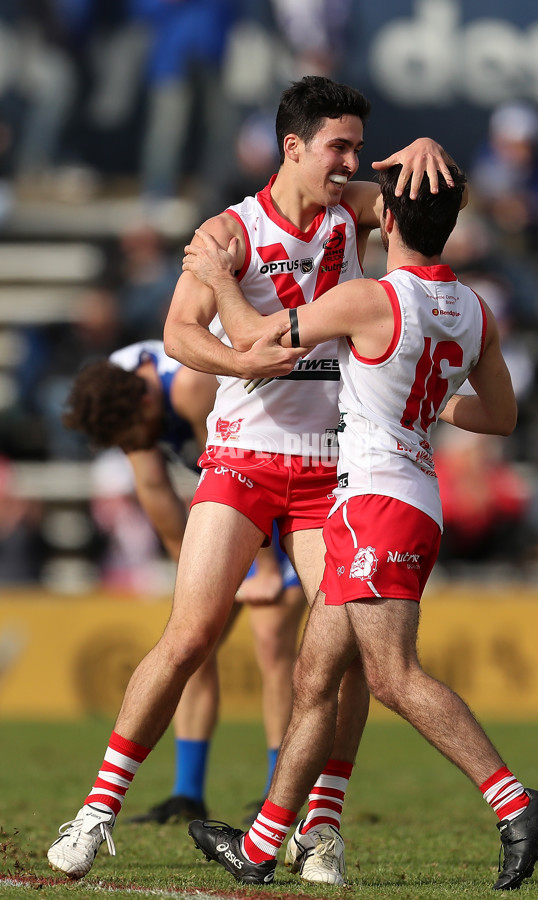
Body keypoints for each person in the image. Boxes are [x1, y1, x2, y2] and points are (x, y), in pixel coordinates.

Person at [46, 73, 454, 883]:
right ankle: (97, 812)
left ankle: (322, 829)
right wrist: (241, 360)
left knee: (341, 659)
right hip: (242, 461)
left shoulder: (356, 211)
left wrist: (432, 151)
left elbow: (431, 203)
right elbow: (177, 331)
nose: (354, 163)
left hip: (331, 471)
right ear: (292, 148)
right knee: (190, 635)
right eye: (339, 148)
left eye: (360, 149)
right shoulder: (230, 231)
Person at [182, 162, 538, 891]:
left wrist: (219, 276)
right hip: (418, 499)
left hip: (370, 505)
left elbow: (257, 340)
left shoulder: (366, 299)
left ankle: (516, 804)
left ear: (384, 221)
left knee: (391, 676)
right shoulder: (475, 308)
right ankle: (263, 847)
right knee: (315, 673)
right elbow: (504, 418)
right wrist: (421, 403)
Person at [61, 340, 306, 824]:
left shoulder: (193, 386)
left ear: (146, 403)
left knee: (272, 642)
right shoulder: (121, 397)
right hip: (233, 512)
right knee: (194, 647)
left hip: (286, 496)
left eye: (134, 437)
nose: (135, 446)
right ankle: (187, 792)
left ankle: (277, 794)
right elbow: (157, 495)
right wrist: (195, 571)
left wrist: (268, 570)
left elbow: (241, 471)